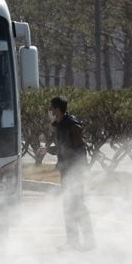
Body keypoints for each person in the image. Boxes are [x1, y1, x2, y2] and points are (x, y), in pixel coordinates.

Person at [44, 96, 94, 251]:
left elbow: (79, 149)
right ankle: (72, 241)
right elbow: (61, 148)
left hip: (75, 171)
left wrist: (77, 167)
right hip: (66, 170)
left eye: (52, 108)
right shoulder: (59, 125)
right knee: (68, 206)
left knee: (78, 205)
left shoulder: (72, 125)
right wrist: (48, 150)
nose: (50, 111)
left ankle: (89, 241)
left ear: (58, 109)